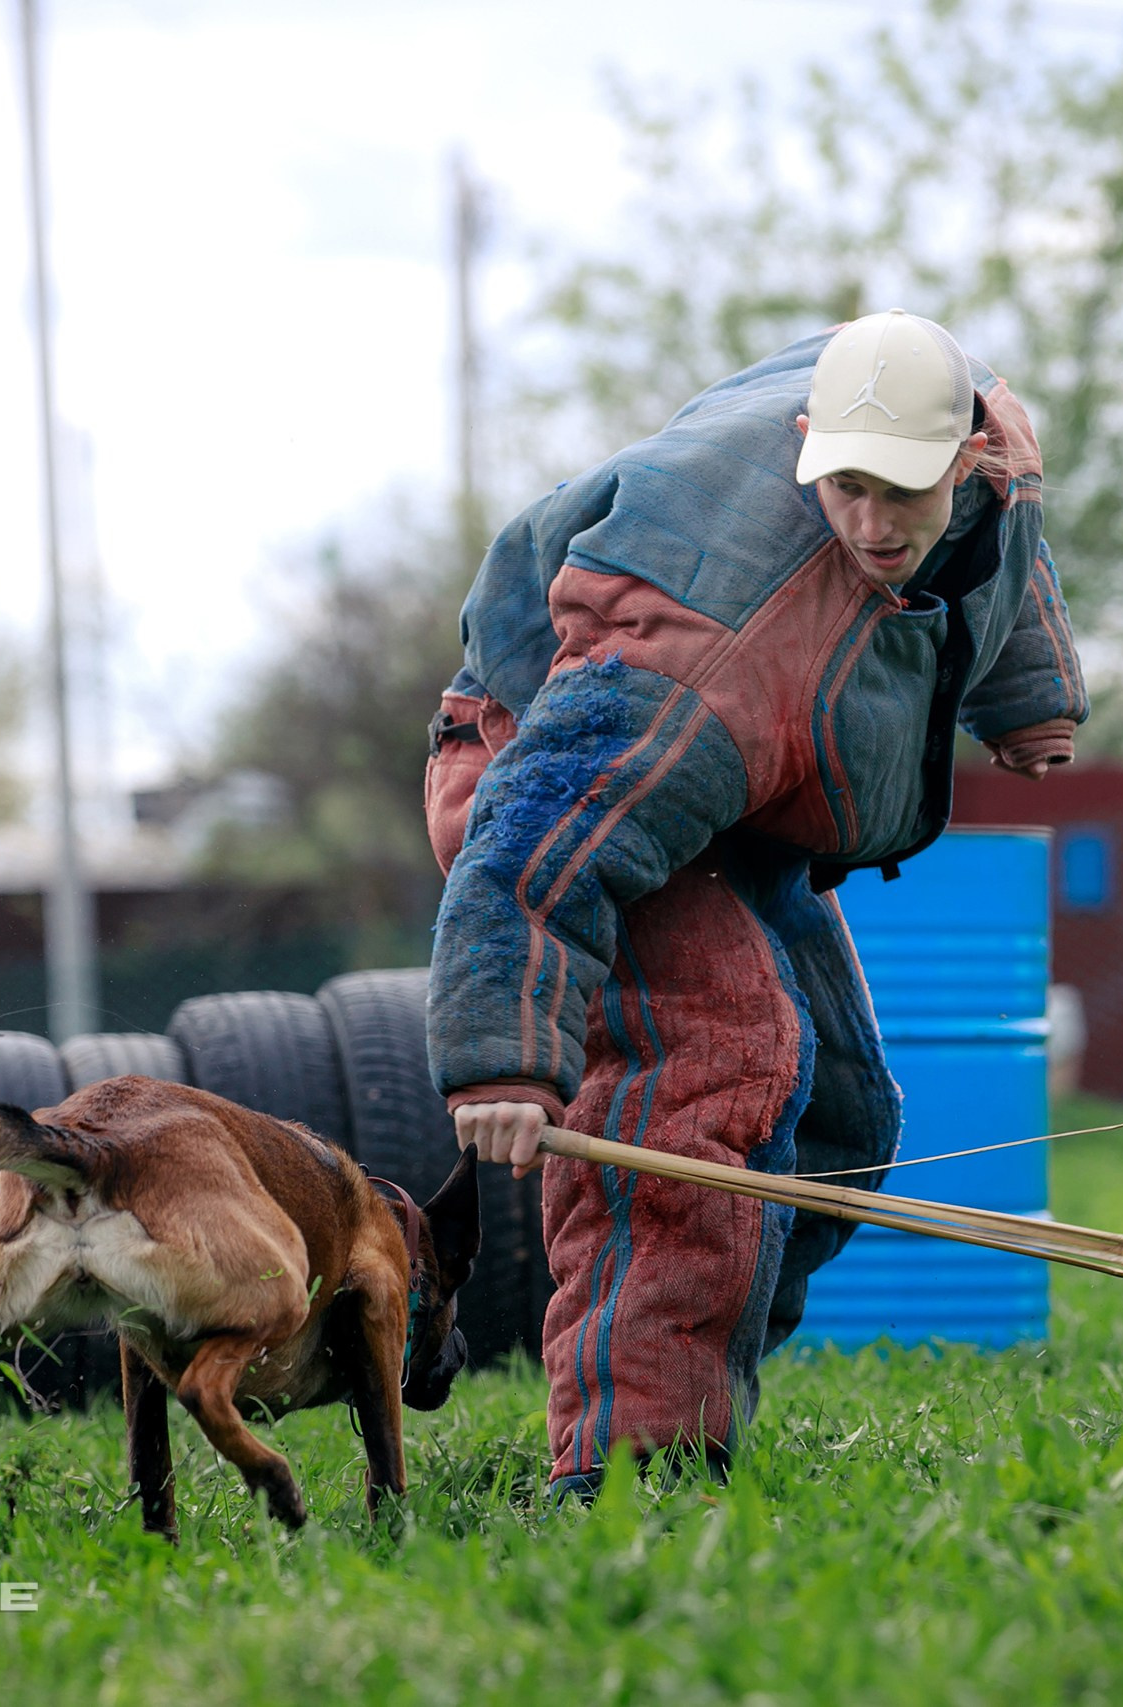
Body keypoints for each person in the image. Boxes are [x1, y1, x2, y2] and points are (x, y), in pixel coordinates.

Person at [422, 310, 1086, 1497]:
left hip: (735, 800)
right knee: (714, 1064)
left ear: (968, 456)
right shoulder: (697, 645)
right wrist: (501, 1056)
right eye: (845, 487)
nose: (873, 525)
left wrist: (1029, 701)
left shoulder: (998, 455)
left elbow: (1007, 560)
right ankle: (636, 1463)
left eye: (904, 492)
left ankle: (690, 1371)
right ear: (806, 440)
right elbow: (539, 837)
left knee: (838, 1117)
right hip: (556, 769)